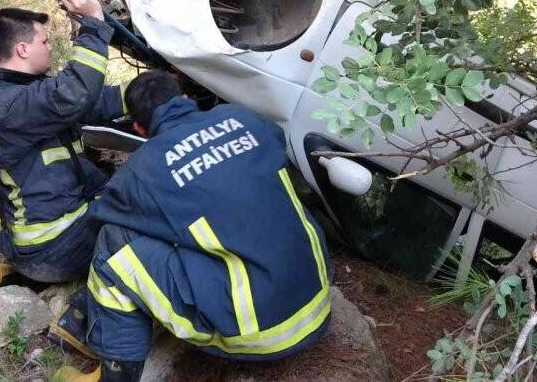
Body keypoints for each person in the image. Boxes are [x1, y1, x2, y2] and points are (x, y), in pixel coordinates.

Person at [53, 71, 332, 382]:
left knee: (113, 244)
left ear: (138, 128)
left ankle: (116, 373)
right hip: (316, 300)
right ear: (185, 99)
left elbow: (100, 219)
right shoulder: (243, 118)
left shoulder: (144, 168)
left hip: (258, 330)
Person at [0, 0, 127, 345]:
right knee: (142, 224)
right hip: (53, 248)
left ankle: (19, 275)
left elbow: (91, 102)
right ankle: (81, 320)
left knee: (124, 190)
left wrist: (150, 90)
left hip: (52, 239)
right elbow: (74, 93)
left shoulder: (23, 93)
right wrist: (93, 24)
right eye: (46, 42)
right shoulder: (5, 106)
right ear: (22, 49)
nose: (51, 47)